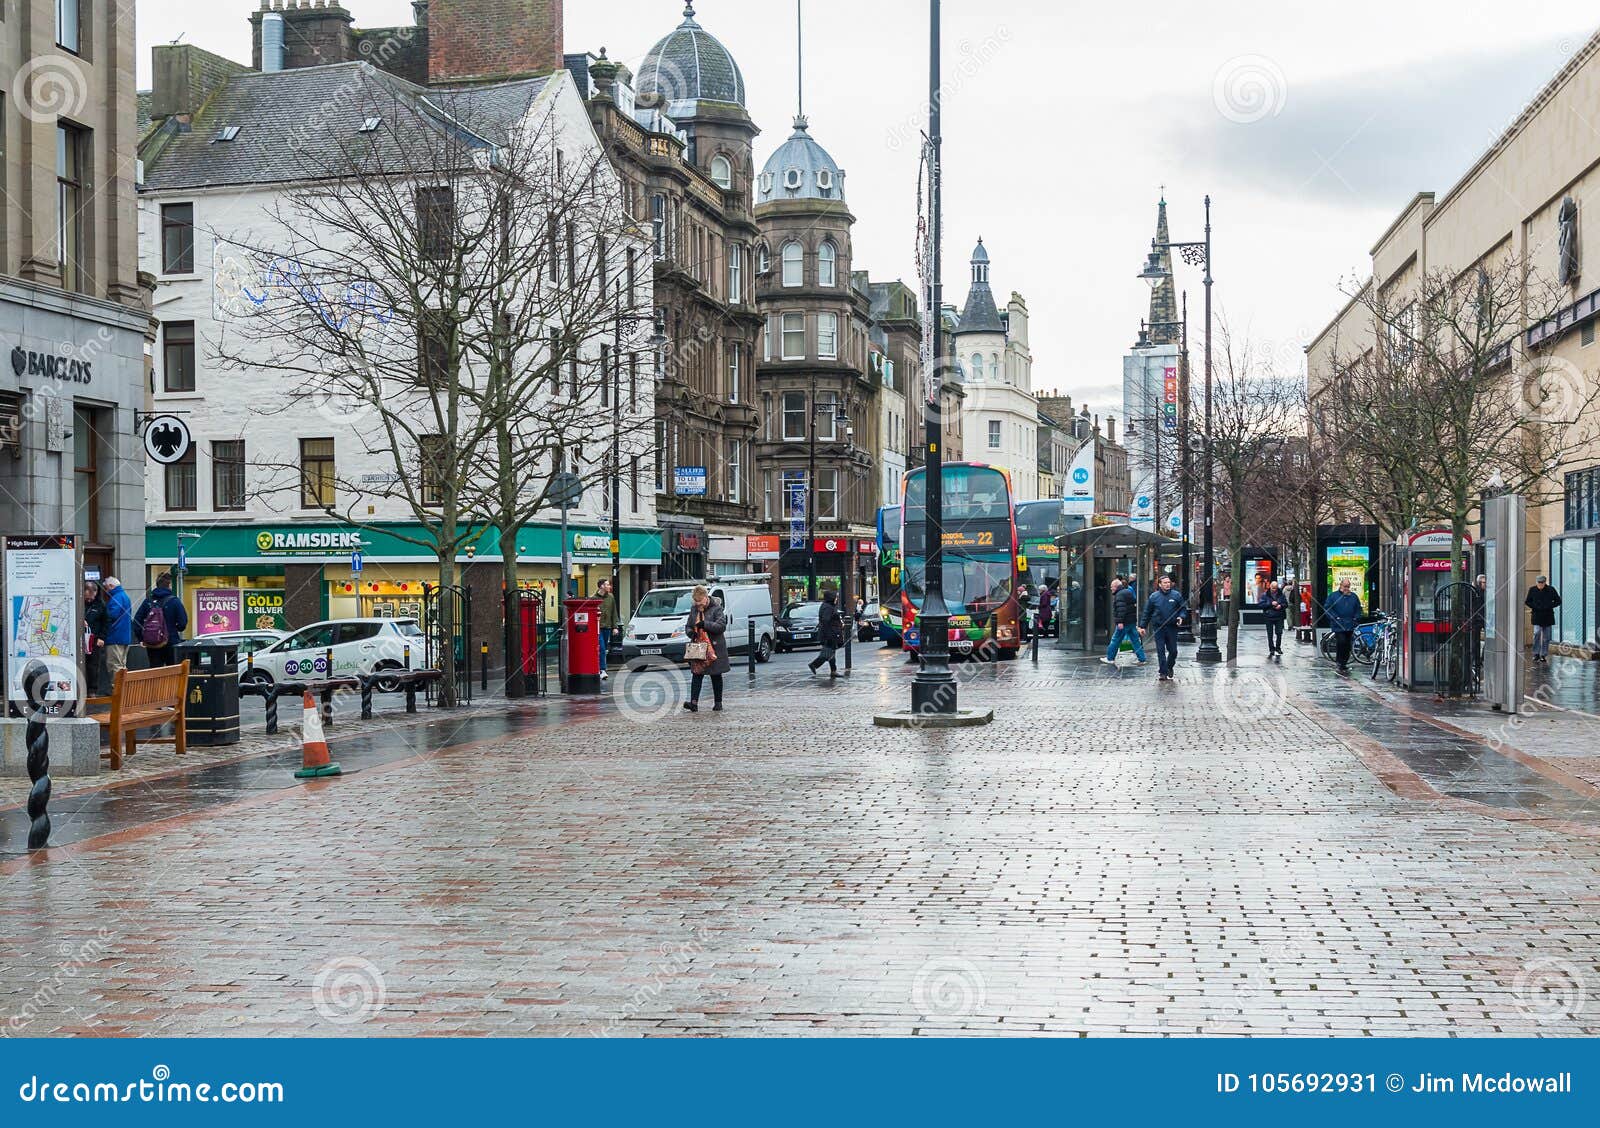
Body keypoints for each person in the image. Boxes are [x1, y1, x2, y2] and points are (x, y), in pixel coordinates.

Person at [683, 586, 729, 711]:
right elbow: (688, 626)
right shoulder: (694, 610)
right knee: (696, 674)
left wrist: (705, 625)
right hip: (698, 646)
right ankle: (694, 703)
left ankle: (718, 703)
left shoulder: (717, 609)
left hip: (714, 646)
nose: (698, 605)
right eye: (696, 602)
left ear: (705, 597)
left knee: (715, 675)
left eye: (700, 601)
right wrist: (691, 632)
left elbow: (721, 626)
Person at [133, 571, 188, 668]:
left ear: (157, 584)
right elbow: (182, 623)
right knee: (172, 672)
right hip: (171, 641)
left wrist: (142, 638)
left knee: (155, 672)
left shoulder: (148, 601)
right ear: (169, 585)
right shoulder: (175, 601)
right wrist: (174, 629)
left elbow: (136, 622)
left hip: (152, 643)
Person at [1140, 574, 1187, 681]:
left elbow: (1183, 609)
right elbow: (1147, 612)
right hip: (1159, 628)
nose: (1167, 584)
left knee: (1173, 651)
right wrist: (1142, 626)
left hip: (1172, 627)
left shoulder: (1176, 595)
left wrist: (1181, 616)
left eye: (1168, 582)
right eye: (1165, 583)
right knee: (1160, 650)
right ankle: (1163, 672)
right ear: (1160, 585)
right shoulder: (1154, 597)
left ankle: (1169, 666)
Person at [1101, 578, 1146, 666]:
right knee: (1135, 640)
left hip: (1124, 622)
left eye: (1112, 587)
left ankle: (1110, 658)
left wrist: (1120, 621)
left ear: (1116, 587)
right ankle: (1142, 658)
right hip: (1131, 621)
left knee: (1115, 639)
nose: (1111, 588)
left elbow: (1121, 609)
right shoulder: (1127, 592)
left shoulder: (1119, 595)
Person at [1325, 577, 1364, 674]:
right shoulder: (1333, 596)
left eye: (1348, 586)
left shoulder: (1353, 596)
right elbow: (1327, 608)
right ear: (1341, 585)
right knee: (1341, 642)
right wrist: (1334, 617)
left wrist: (1356, 618)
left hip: (1350, 624)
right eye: (1345, 586)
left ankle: (1344, 663)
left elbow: (1358, 609)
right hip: (1338, 625)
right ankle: (1339, 662)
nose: (1347, 588)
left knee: (1347, 644)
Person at [102, 576, 133, 684]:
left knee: (114, 665)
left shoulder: (116, 598)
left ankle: (118, 692)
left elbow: (111, 616)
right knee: (122, 665)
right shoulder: (124, 596)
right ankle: (123, 691)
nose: (105, 591)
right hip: (124, 637)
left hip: (115, 637)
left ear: (111, 586)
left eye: (106, 588)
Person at [1525, 575, 1561, 663]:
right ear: (1536, 582)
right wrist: (1535, 606)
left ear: (1545, 583)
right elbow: (1527, 601)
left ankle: (1543, 654)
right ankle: (1536, 653)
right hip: (1537, 615)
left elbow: (1558, 601)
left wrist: (1549, 606)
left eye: (1542, 583)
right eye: (1538, 583)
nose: (1540, 585)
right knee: (1537, 633)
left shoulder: (1551, 590)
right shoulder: (1532, 589)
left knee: (1546, 637)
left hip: (1547, 616)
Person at [809, 590, 846, 677]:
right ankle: (814, 665)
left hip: (830, 633)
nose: (836, 599)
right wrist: (832, 632)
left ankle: (833, 671)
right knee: (828, 652)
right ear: (831, 598)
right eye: (835, 597)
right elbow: (826, 621)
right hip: (829, 634)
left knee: (831, 652)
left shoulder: (829, 606)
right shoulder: (827, 607)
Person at [83, 580, 109, 696]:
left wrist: (102, 638)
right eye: (87, 598)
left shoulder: (100, 605)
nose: (90, 600)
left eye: (92, 597)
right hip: (80, 639)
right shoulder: (79, 602)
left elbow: (106, 622)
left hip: (94, 639)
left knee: (93, 666)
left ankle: (92, 690)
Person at [1259, 579, 1288, 657]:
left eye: (1275, 588)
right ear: (1270, 587)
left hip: (1279, 616)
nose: (1274, 590)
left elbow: (1285, 604)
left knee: (1279, 633)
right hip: (1269, 616)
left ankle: (1278, 648)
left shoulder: (1281, 594)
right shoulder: (1265, 595)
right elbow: (1261, 605)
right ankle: (1271, 649)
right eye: (1272, 588)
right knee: (1270, 633)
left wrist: (1280, 606)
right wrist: (1270, 603)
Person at [597, 579, 617, 682]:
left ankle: (599, 667)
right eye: (607, 585)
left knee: (603, 650)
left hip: (607, 627)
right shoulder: (594, 598)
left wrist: (615, 627)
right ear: (601, 586)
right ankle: (602, 670)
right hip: (598, 629)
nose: (609, 586)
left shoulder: (611, 597)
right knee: (602, 648)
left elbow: (614, 612)